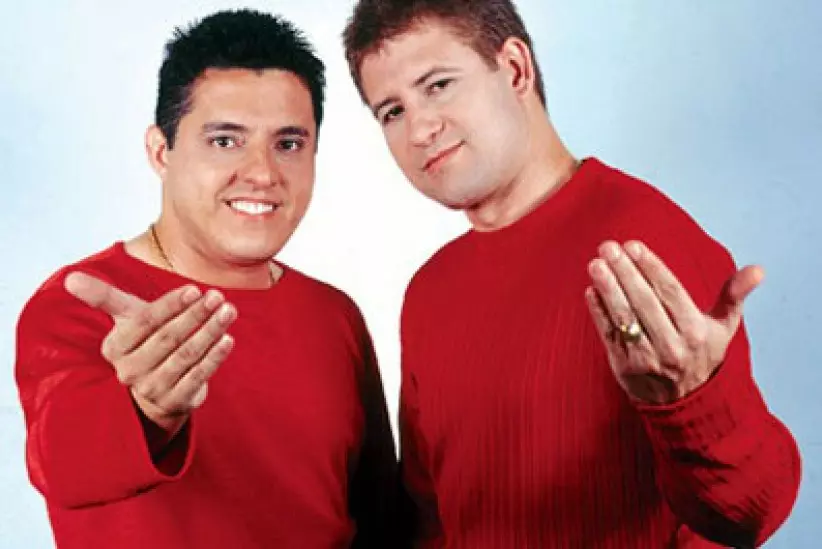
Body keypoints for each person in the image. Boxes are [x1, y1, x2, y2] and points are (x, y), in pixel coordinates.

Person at [342, 0, 801, 547]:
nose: (419, 129)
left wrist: (694, 402)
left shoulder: (645, 243)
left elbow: (751, 513)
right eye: (391, 111)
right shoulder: (429, 291)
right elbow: (430, 519)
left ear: (515, 69)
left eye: (438, 86)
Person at [15, 9, 397, 549]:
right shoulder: (80, 301)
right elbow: (61, 465)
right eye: (225, 141)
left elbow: (381, 520)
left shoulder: (335, 315)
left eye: (289, 144)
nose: (262, 173)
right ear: (161, 152)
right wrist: (146, 412)